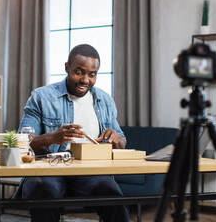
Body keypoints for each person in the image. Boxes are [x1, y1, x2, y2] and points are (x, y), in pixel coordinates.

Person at [13, 44, 129, 222]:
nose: (85, 79)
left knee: (114, 198)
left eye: (92, 74)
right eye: (79, 72)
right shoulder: (41, 97)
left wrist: (116, 138)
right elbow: (21, 144)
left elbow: (122, 143)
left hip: (91, 171)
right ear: (67, 67)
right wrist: (51, 137)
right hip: (49, 170)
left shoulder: (105, 100)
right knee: (44, 197)